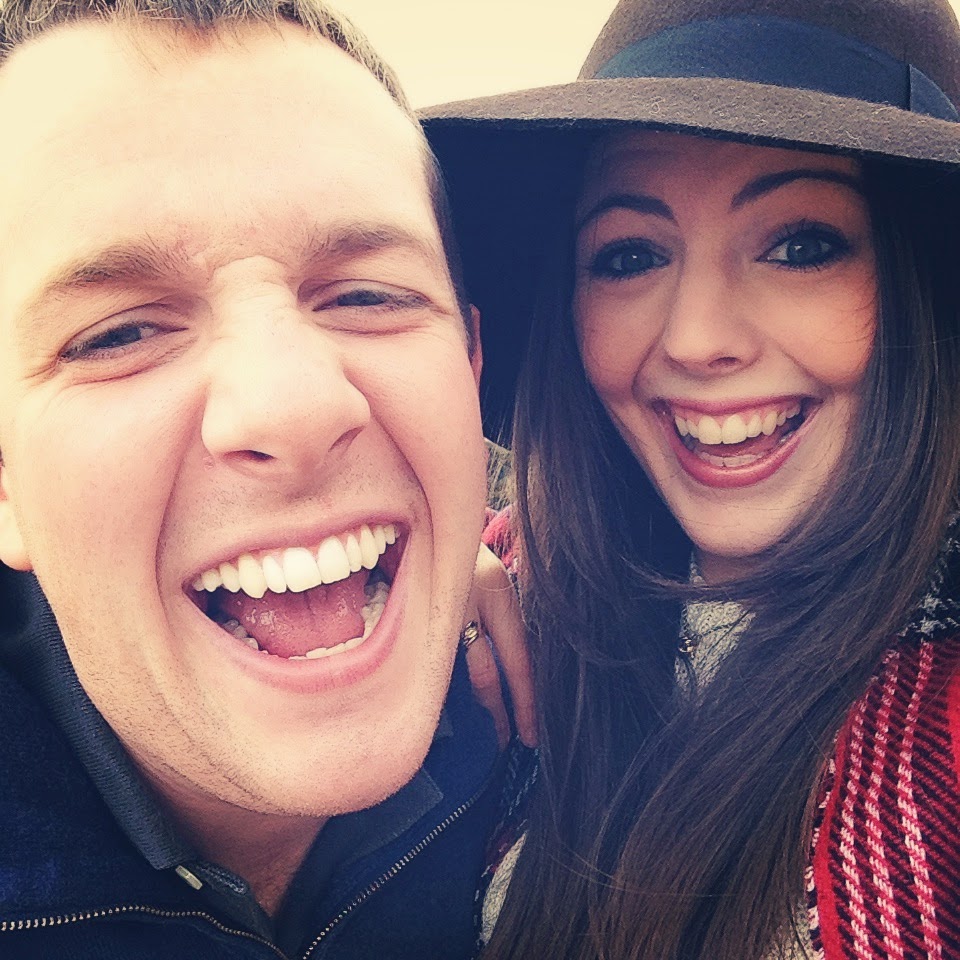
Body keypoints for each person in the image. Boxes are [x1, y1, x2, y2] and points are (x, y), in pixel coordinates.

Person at [424, 0, 960, 957]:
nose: (697, 337)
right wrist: (421, 608)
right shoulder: (519, 623)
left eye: (800, 245)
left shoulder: (932, 755)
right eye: (630, 255)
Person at [0, 1, 526, 956]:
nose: (294, 406)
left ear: (470, 367)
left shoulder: (577, 730)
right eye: (120, 334)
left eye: (366, 295)